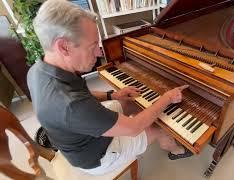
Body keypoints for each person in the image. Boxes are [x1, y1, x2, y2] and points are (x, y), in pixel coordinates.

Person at [27, 0, 192, 176]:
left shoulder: (37, 70)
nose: (99, 53)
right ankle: (176, 150)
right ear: (63, 47)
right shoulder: (70, 105)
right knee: (161, 129)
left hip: (81, 136)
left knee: (133, 102)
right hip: (97, 157)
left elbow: (82, 96)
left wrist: (113, 95)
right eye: (93, 46)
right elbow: (134, 127)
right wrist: (166, 98)